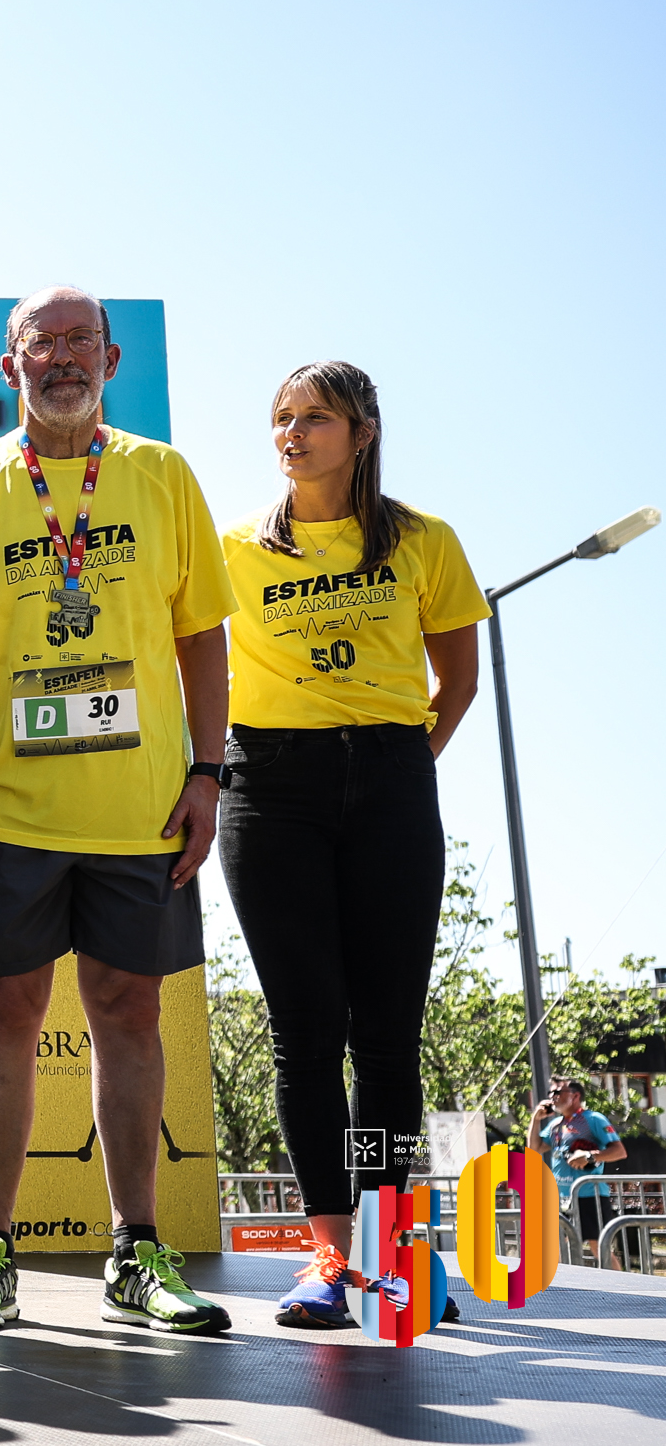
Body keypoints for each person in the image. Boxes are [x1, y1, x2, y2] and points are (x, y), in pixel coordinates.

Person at [0, 287, 235, 1336]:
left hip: (138, 808)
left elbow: (202, 635)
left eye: (77, 340)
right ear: (10, 363)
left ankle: (138, 1248)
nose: (60, 357)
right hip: (6, 809)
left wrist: (207, 772)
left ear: (111, 353)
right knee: (6, 1020)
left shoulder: (161, 473)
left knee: (128, 1015)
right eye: (39, 342)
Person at [215, 360, 488, 1326]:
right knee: (304, 1029)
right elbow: (196, 668)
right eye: (281, 418)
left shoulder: (423, 539)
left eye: (315, 418)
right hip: (267, 785)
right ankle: (331, 1259)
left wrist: (398, 764)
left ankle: (392, 1246)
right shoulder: (233, 547)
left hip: (390, 780)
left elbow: (456, 675)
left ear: (364, 430)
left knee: (385, 1031)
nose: (293, 433)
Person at [535, 1078, 628, 1264]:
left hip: (589, 1195)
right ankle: (557, 1290)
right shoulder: (555, 1125)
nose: (553, 1097)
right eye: (550, 1093)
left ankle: (623, 1289)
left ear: (575, 1096)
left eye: (558, 1092)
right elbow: (534, 1149)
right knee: (554, 1246)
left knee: (597, 1246)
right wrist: (534, 1119)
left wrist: (591, 1156)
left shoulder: (593, 1119)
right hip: (561, 1197)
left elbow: (620, 1151)